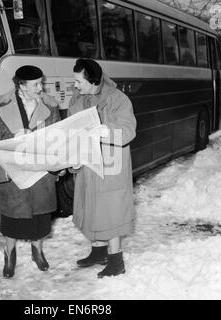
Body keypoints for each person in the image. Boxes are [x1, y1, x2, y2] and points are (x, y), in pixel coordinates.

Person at [0, 65, 61, 278]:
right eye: (35, 84)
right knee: (11, 221)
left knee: (40, 220)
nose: (40, 87)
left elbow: (58, 137)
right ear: (21, 86)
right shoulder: (2, 107)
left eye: (40, 83)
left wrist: (58, 158)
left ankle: (38, 251)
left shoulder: (50, 107)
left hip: (40, 173)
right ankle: (10, 254)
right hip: (13, 174)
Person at [68, 58, 137, 278]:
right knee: (90, 207)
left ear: (93, 80)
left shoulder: (118, 99)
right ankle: (98, 252)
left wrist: (103, 130)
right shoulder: (77, 99)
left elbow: (128, 131)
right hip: (88, 165)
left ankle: (116, 261)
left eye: (78, 81)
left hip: (110, 166)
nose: (75, 85)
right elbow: (72, 131)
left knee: (111, 212)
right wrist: (73, 155)